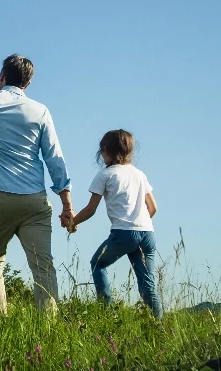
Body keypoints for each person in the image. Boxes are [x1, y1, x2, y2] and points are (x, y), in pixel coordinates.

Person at [0, 54, 72, 314]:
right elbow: (54, 157)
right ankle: (48, 330)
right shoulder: (40, 111)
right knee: (43, 266)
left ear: (2, 77)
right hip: (34, 201)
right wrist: (67, 204)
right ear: (27, 83)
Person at [67, 129, 163, 319]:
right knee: (147, 283)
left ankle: (108, 313)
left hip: (123, 233)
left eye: (102, 151)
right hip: (147, 234)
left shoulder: (105, 175)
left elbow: (90, 210)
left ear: (106, 150)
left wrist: (73, 223)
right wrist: (139, 224)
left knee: (97, 264)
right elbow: (153, 208)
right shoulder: (139, 174)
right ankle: (159, 326)